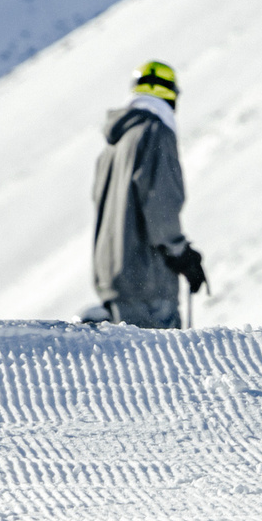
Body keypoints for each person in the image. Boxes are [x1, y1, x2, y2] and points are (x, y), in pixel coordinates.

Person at [91, 60, 206, 328]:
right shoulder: (155, 133)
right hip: (147, 280)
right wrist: (181, 253)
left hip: (113, 279)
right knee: (162, 365)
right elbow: (160, 205)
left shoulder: (114, 144)